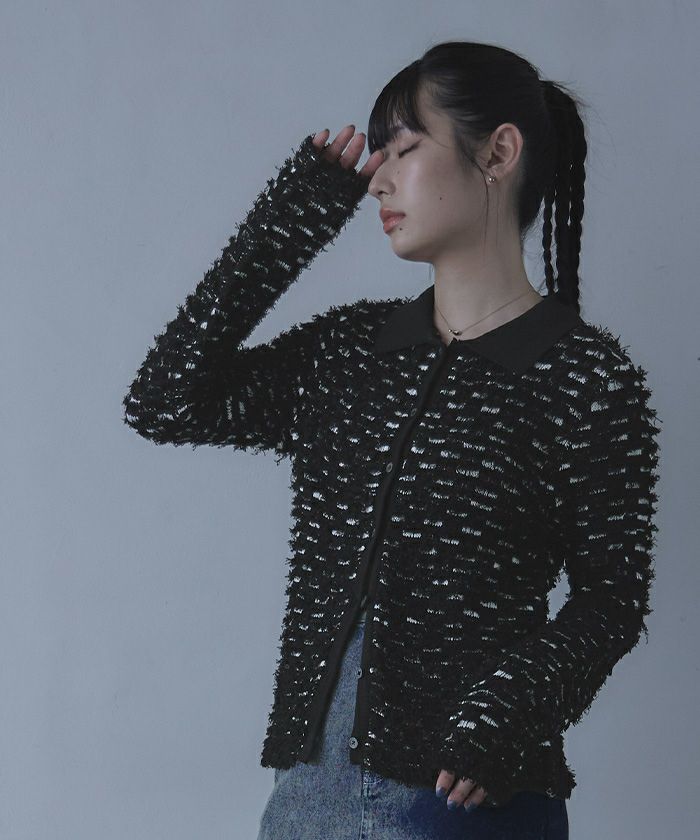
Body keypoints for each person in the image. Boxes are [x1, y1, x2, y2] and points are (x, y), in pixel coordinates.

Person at [123, 40, 661, 839]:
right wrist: (292, 219)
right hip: (310, 800)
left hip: (470, 799)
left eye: (405, 149)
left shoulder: (584, 377)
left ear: (499, 152)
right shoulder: (350, 353)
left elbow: (612, 601)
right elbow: (166, 401)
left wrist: (504, 713)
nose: (378, 179)